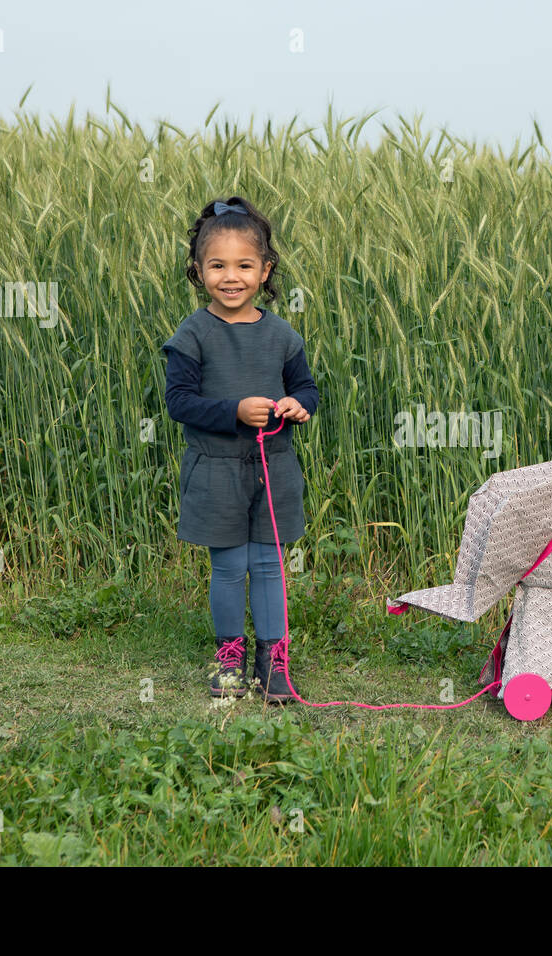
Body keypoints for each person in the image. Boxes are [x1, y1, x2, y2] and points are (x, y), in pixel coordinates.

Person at [161, 196, 320, 702]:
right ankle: (229, 653)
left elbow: (309, 390)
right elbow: (179, 402)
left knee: (271, 566)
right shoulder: (193, 334)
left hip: (274, 468)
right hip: (216, 471)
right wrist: (233, 411)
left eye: (244, 265)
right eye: (217, 265)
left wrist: (297, 404)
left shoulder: (282, 335)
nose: (231, 277)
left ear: (265, 270)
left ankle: (274, 659)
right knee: (229, 567)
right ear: (198, 269)